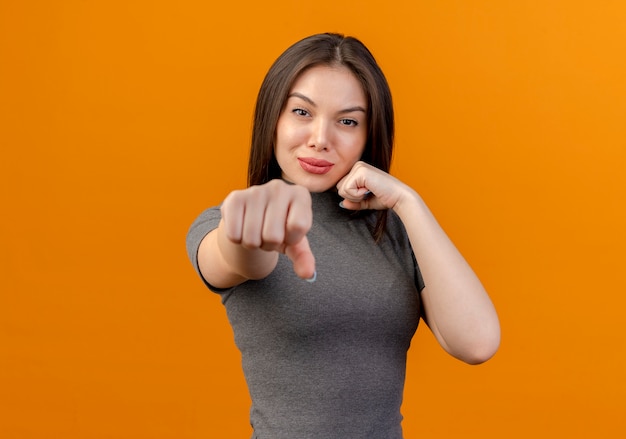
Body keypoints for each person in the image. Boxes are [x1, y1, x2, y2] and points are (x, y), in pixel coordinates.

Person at [186, 32, 500, 439]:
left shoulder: (394, 230)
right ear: (273, 118)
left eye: (347, 121)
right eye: (301, 112)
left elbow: (476, 343)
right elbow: (241, 254)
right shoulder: (231, 222)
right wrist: (250, 226)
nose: (320, 138)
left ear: (369, 135)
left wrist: (407, 201)